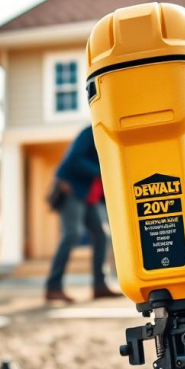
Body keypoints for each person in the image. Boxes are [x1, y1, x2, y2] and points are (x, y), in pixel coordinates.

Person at [45, 125, 121, 304]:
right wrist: (102, 170)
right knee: (72, 233)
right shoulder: (91, 132)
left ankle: (99, 286)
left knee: (102, 235)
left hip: (87, 194)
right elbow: (74, 159)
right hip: (70, 188)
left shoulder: (110, 138)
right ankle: (53, 287)